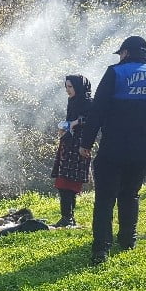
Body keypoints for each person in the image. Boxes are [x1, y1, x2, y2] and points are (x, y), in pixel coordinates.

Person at [80, 36, 146, 264]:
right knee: (131, 194)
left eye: (120, 53)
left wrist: (86, 143)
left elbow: (97, 110)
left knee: (105, 198)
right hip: (145, 150)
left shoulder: (116, 73)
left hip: (115, 148)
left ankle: (101, 248)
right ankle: (128, 240)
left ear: (126, 53)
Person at [51, 74, 93, 227]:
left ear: (78, 87)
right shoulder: (72, 101)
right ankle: (68, 217)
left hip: (80, 145)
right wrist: (65, 127)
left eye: (70, 87)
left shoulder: (89, 102)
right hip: (68, 144)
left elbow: (94, 120)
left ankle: (67, 217)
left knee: (70, 183)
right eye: (66, 87)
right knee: (63, 182)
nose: (67, 90)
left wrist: (76, 122)